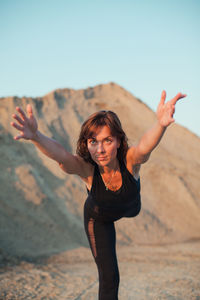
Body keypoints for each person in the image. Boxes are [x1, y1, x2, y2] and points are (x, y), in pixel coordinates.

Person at [11, 90, 186, 300]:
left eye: (107, 141)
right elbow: (62, 156)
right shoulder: (87, 169)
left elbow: (144, 147)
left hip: (131, 208)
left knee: (132, 206)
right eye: (93, 141)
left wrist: (161, 125)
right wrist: (36, 136)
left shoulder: (129, 161)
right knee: (109, 277)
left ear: (119, 141)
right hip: (98, 217)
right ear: (87, 144)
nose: (100, 149)